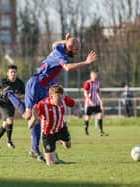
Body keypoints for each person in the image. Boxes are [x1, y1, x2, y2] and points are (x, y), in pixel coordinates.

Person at [21, 32, 97, 161]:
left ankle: (38, 147)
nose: (78, 52)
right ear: (69, 48)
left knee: (44, 113)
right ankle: (13, 99)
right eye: (76, 49)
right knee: (29, 116)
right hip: (36, 84)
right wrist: (86, 62)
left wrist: (65, 41)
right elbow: (67, 68)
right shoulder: (62, 55)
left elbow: (54, 44)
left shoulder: (60, 47)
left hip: (46, 85)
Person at [29, 85, 81, 166]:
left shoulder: (64, 99)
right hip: (48, 133)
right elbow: (30, 124)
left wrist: (78, 111)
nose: (61, 101)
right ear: (51, 97)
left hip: (61, 128)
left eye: (61, 97)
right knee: (50, 164)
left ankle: (60, 141)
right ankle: (49, 154)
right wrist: (34, 118)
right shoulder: (42, 104)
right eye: (58, 98)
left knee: (68, 146)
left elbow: (77, 104)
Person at [0, 64, 25, 149]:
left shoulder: (19, 83)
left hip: (12, 104)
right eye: (11, 72)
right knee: (10, 120)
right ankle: (9, 141)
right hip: (2, 103)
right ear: (7, 73)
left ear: (16, 73)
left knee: (5, 124)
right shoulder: (2, 81)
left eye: (15, 72)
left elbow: (23, 94)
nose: (13, 73)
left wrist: (18, 97)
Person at [83, 70, 106, 136]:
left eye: (96, 75)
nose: (95, 76)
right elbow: (85, 93)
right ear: (91, 75)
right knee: (87, 117)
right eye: (94, 75)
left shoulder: (97, 83)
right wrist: (89, 100)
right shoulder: (88, 83)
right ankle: (86, 131)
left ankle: (101, 131)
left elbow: (98, 93)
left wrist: (101, 102)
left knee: (100, 115)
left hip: (96, 103)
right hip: (89, 104)